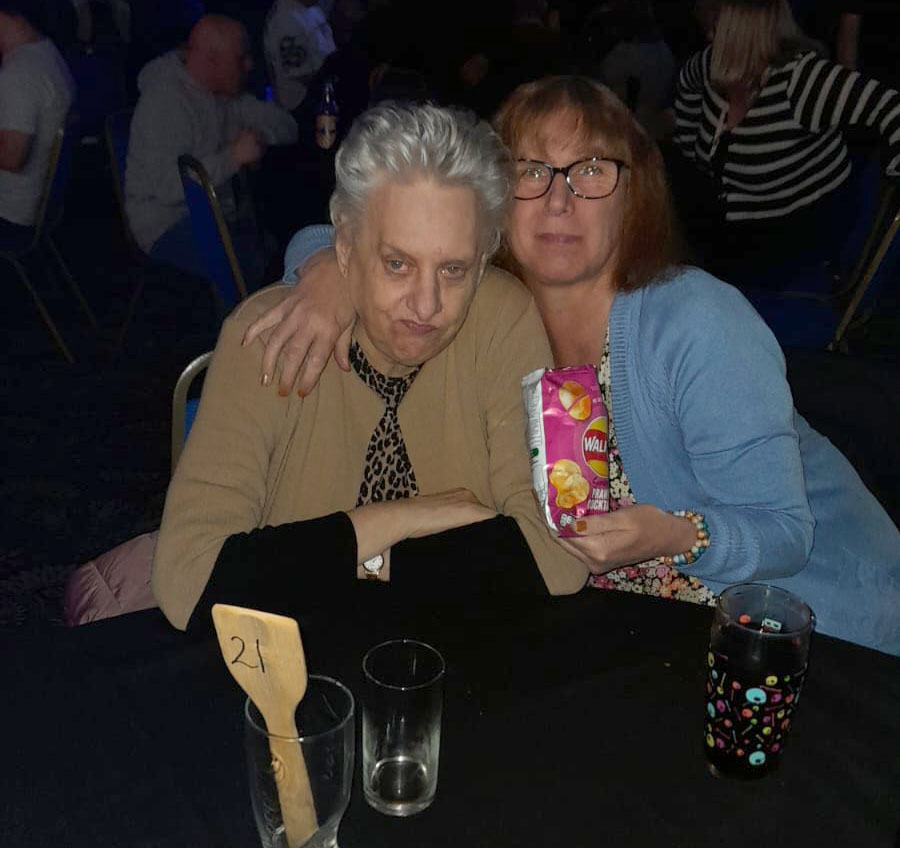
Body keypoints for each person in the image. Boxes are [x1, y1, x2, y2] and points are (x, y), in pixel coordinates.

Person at [244, 76, 900, 654]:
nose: (559, 201)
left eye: (590, 171)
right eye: (530, 171)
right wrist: (330, 269)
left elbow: (785, 532)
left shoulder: (695, 321)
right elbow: (352, 230)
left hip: (805, 633)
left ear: (632, 194)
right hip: (637, 625)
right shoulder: (490, 308)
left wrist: (672, 534)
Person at [151, 102, 590, 633]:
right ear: (343, 246)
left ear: (481, 261)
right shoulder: (267, 338)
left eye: (453, 270)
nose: (426, 305)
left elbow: (560, 559)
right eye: (397, 264)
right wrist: (404, 518)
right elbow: (188, 583)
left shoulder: (504, 318)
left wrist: (350, 563)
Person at [671, 0, 900, 285]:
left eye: (715, 23)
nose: (706, 32)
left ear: (740, 27)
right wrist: (690, 139)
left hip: (798, 240)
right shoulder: (713, 64)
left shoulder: (801, 79)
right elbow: (686, 85)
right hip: (728, 230)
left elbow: (890, 108)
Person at [124, 14, 298, 286]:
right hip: (165, 223)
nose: (249, 65)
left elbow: (287, 125)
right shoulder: (164, 102)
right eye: (240, 58)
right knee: (248, 264)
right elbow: (168, 187)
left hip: (219, 213)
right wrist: (233, 156)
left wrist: (259, 138)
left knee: (287, 240)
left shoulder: (226, 94)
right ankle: (237, 327)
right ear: (212, 61)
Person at [0, 0, 75, 246]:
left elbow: (12, 158)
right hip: (39, 203)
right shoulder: (47, 52)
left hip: (10, 214)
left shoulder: (19, 73)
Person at [263, 0, 336, 115]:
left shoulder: (314, 10)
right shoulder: (285, 18)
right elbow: (302, 74)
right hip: (301, 110)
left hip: (325, 99)